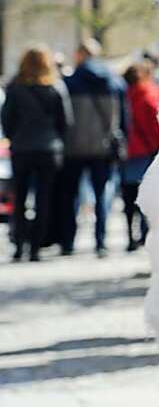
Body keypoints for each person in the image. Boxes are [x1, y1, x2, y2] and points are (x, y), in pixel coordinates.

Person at [54, 39, 127, 258]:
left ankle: (68, 242)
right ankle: (100, 242)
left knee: (71, 196)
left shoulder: (69, 82)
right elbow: (122, 117)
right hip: (102, 148)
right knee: (102, 195)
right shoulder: (112, 82)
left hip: (73, 147)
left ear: (79, 55)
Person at [1, 47, 72, 262]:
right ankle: (36, 247)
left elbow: (7, 120)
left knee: (20, 198)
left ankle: (19, 244)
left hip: (22, 149)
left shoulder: (15, 88)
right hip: (47, 149)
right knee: (44, 198)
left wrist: (16, 137)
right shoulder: (55, 87)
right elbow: (66, 121)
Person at [121, 61, 159, 251]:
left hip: (126, 153)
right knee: (146, 197)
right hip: (145, 153)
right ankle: (145, 233)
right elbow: (156, 127)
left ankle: (130, 234)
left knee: (128, 198)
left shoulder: (122, 95)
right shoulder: (150, 95)